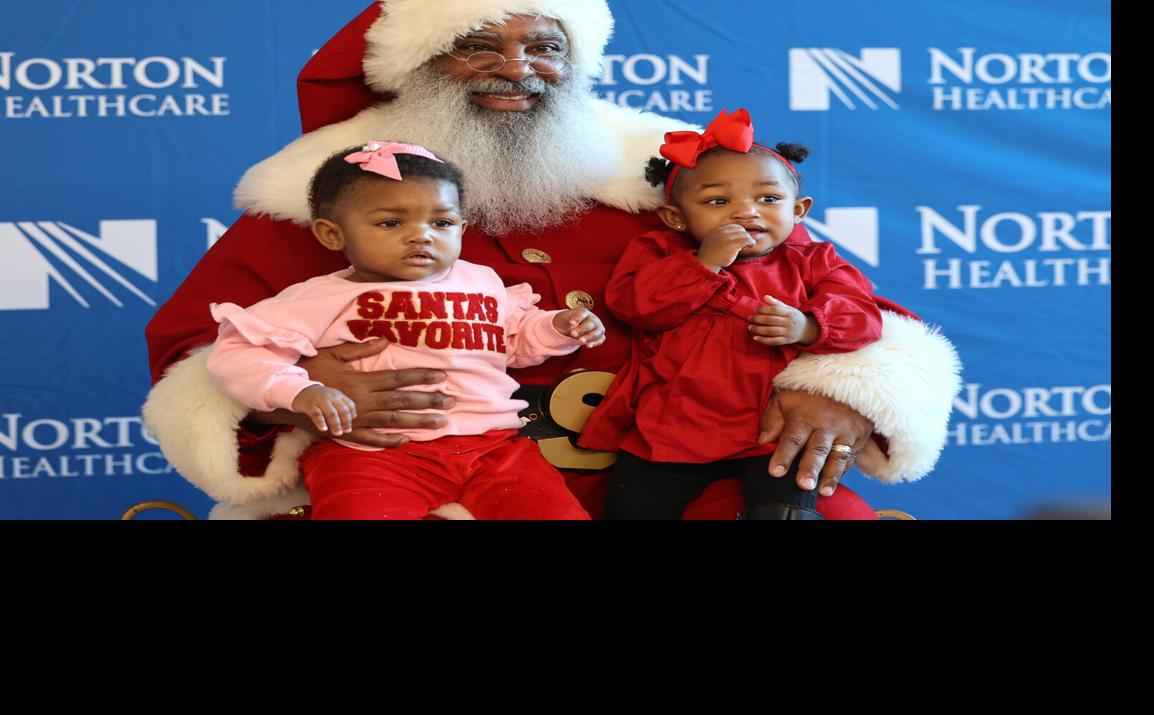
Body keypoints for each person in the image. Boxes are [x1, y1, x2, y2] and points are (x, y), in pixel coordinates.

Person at [142, 0, 961, 520]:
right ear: (412, 70)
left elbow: (857, 306)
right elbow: (193, 352)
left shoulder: (673, 183)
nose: (516, 70)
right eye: (476, 45)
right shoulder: (332, 204)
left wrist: (840, 391)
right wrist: (297, 390)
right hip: (416, 487)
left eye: (542, 46)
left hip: (691, 474)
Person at [205, 141, 601, 519]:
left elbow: (514, 341)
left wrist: (559, 327)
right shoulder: (320, 297)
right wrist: (299, 390)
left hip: (494, 448)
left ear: (461, 228)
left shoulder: (481, 281)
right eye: (391, 222)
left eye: (442, 222)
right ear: (332, 234)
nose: (421, 235)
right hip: (373, 454)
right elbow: (238, 353)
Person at [579, 109, 882, 520]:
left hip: (769, 430)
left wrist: (809, 327)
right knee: (632, 507)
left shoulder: (815, 261)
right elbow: (634, 306)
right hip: (672, 425)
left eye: (769, 199)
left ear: (799, 210)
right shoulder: (661, 252)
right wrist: (703, 264)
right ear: (676, 218)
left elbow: (864, 317)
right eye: (718, 201)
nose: (747, 212)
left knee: (786, 509)